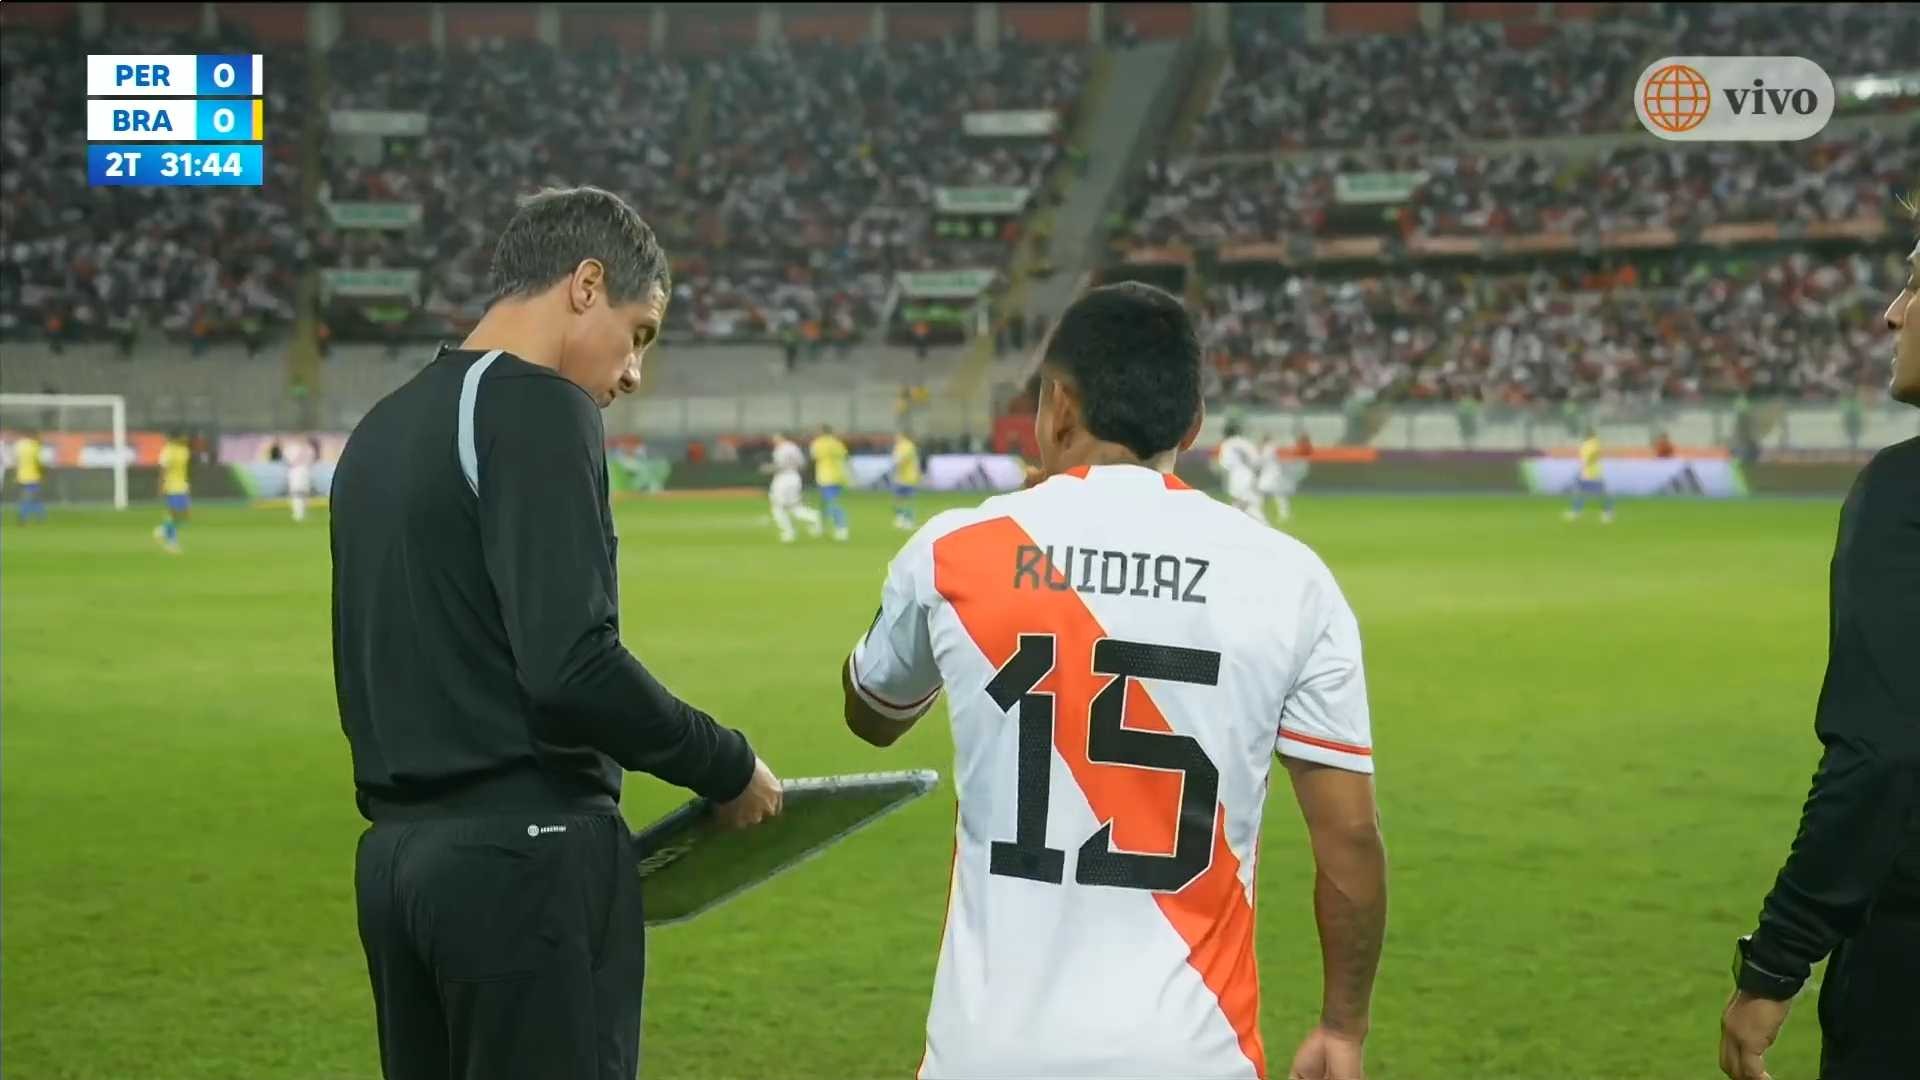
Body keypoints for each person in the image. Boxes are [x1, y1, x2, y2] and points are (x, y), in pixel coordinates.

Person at [838, 283, 1388, 1079]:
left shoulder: (956, 550)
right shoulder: (1292, 579)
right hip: (1194, 1056)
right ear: (1192, 424)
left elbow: (873, 710)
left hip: (988, 1055)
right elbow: (1350, 840)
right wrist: (1343, 1026)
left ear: (1057, 404)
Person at [329, 186, 784, 1080]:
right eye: (640, 331)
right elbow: (572, 664)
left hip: (395, 867)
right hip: (524, 862)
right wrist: (727, 764)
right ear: (585, 284)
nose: (632, 374)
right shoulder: (535, 405)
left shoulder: (378, 430)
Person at [1719, 228, 1920, 1080]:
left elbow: (1884, 752)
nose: (1891, 313)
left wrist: (1775, 962)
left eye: (1917, 284)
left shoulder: (1904, 492)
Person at [766, 432, 824, 543]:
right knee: (794, 507)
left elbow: (779, 465)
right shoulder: (795, 447)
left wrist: (768, 468)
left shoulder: (781, 449)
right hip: (795, 477)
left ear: (781, 437)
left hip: (783, 478)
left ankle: (788, 532)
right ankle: (815, 517)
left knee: (778, 507)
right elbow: (802, 463)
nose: (774, 440)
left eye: (776, 437)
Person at [1214, 420, 1265, 523]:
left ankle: (1264, 525)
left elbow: (1225, 463)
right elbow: (1256, 460)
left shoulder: (1227, 444)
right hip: (1248, 474)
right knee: (1245, 503)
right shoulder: (1244, 442)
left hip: (1237, 475)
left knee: (1243, 504)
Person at [1564, 428, 1614, 524]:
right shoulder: (1586, 444)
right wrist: (1583, 467)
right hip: (1585, 472)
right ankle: (1576, 512)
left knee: (1601, 493)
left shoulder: (1594, 443)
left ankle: (1608, 512)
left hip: (1593, 472)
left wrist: (1588, 462)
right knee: (1580, 492)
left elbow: (1596, 454)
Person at [810, 423, 851, 541]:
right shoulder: (837, 443)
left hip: (825, 477)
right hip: (838, 476)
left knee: (832, 503)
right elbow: (845, 456)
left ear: (820, 432)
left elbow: (813, 456)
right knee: (824, 503)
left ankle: (842, 528)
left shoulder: (818, 443)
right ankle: (820, 527)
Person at [153, 431, 191, 553]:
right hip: (171, 486)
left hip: (182, 486)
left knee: (185, 514)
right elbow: (163, 469)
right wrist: (161, 485)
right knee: (173, 513)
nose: (185, 438)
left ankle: (164, 530)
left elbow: (183, 470)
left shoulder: (185, 451)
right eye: (183, 436)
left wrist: (187, 484)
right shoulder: (167, 450)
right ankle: (172, 543)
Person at [1257, 429, 1297, 524]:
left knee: (1275, 496)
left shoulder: (1268, 448)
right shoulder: (1273, 447)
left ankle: (1283, 515)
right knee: (1276, 496)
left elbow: (1260, 461)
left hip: (1270, 475)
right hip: (1272, 475)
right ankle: (1283, 515)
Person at [13, 430, 47, 524]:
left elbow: (16, 461)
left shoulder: (19, 445)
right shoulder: (35, 446)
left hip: (21, 477)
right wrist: (43, 473)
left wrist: (16, 474)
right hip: (33, 477)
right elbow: (38, 462)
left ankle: (36, 517)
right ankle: (32, 518)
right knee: (34, 498)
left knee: (29, 497)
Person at [891, 429, 921, 531]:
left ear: (902, 435)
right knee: (900, 499)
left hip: (907, 478)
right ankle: (902, 518)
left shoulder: (907, 446)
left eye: (897, 435)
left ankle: (908, 521)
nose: (896, 438)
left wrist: (896, 465)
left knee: (905, 500)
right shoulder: (901, 446)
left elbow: (901, 460)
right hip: (904, 477)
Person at [286, 435, 316, 523]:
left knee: (304, 492)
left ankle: (302, 512)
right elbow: (290, 460)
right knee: (296, 492)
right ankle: (297, 513)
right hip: (295, 471)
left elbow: (311, 459)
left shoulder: (308, 448)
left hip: (305, 471)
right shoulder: (292, 448)